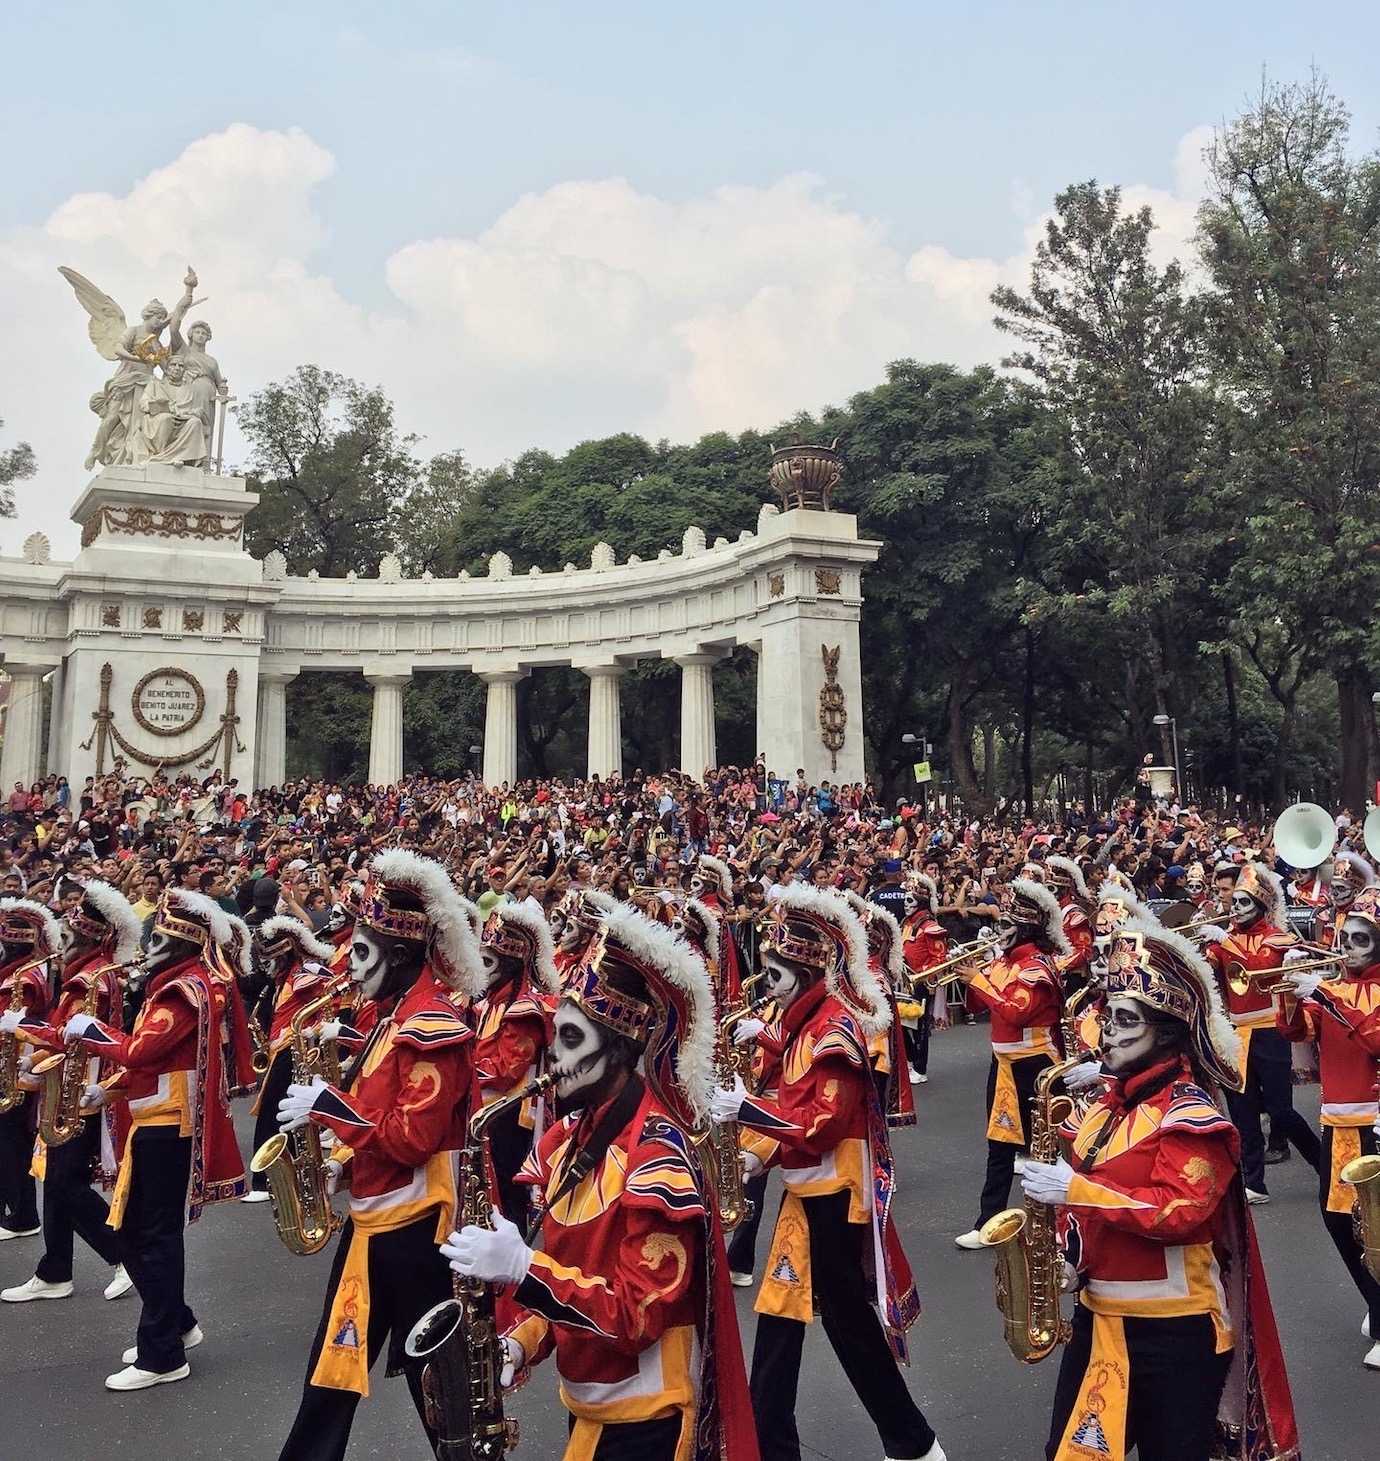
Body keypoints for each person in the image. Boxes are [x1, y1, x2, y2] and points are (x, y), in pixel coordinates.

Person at [443, 899, 759, 1460]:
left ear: (617, 1051)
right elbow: (579, 1274)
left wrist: (523, 1267)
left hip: (647, 1421)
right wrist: (522, 1341)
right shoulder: (570, 1139)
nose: (552, 1060)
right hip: (593, 1410)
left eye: (570, 1041)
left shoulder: (658, 1158)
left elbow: (635, 1315)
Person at [1020, 917, 1300, 1461]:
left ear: (1167, 1030)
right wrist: (1062, 1250)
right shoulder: (1105, 1106)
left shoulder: (1193, 1118)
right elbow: (1087, 1196)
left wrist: (1075, 1190)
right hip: (1100, 1319)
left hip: (1175, 1333)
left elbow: (1177, 1213)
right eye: (1109, 1018)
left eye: (1127, 1021)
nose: (1109, 1033)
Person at [713, 886, 943, 1461]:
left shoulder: (835, 1031)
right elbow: (793, 1102)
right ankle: (781, 1442)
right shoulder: (802, 1021)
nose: (766, 987)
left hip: (836, 1195)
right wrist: (755, 1153)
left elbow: (820, 1122)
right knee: (784, 1315)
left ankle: (911, 1441)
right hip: (807, 1190)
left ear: (805, 973)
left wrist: (748, 1112)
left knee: (843, 1322)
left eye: (774, 975)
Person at [271, 849, 484, 1461]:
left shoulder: (433, 1026)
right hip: (376, 1223)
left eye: (361, 954)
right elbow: (380, 1115)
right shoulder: (391, 1018)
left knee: (440, 1395)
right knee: (331, 1381)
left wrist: (329, 1111)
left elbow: (412, 1138)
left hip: (415, 1234)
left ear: (397, 956)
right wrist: (338, 1161)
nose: (351, 969)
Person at [65, 888, 251, 1390]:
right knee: (137, 1233)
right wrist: (107, 1091)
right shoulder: (180, 983)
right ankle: (177, 1323)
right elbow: (163, 1063)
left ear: (183, 941)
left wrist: (93, 1031)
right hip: (158, 1119)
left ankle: (162, 1354)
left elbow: (144, 1050)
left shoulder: (180, 991)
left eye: (161, 936)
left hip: (169, 1127)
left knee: (154, 1237)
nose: (151, 944)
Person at [1, 882, 141, 1304]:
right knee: (55, 1180)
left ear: (85, 937)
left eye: (71, 934)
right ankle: (55, 1270)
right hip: (66, 1085)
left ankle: (125, 1257)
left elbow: (73, 1036)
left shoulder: (89, 980)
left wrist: (23, 1030)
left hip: (82, 1091)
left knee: (66, 1183)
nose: (63, 942)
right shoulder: (89, 974)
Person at [1276, 884, 1380, 1369]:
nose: (1346, 949)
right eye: (1344, 940)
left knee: (1374, 1226)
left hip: (1374, 1123)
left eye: (1360, 941)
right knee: (1339, 1221)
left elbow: (1373, 1037)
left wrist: (1325, 992)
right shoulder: (1333, 987)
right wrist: (1295, 994)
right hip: (1337, 1122)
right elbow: (1296, 1032)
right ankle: (1376, 1301)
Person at [954, 878, 1069, 1249]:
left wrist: (981, 982)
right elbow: (981, 1008)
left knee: (1046, 1149)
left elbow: (1017, 1012)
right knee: (999, 1147)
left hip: (1035, 1067)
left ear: (1024, 930)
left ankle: (1058, 1225)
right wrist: (972, 980)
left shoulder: (1036, 967)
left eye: (1007, 926)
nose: (1000, 932)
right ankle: (988, 1222)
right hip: (1002, 1065)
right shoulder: (1003, 963)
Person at [1199, 862, 1321, 1197]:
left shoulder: (1277, 939)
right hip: (1237, 1034)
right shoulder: (1224, 940)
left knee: (1281, 1111)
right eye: (1233, 902)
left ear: (1261, 907)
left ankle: (1322, 1162)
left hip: (1270, 1031)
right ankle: (1254, 1182)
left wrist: (1225, 941)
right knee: (1243, 1110)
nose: (1235, 910)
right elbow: (1207, 976)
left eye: (1243, 903)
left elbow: (1261, 969)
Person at [473, 900, 558, 1225]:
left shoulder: (523, 1011)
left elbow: (506, 1070)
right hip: (488, 1112)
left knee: (508, 1199)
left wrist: (462, 1071)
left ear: (508, 964)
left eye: (487, 961)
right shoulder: (491, 1002)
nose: (480, 969)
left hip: (508, 1117)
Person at [242, 915, 336, 1203]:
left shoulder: (305, 973)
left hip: (294, 1050)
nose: (268, 963)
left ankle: (265, 1181)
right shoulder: (282, 978)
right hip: (280, 1050)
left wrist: (308, 1031)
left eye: (273, 956)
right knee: (280, 1113)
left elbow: (325, 1003)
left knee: (276, 1113)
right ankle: (277, 1178)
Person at [0, 898, 60, 1242]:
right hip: (13, 1067)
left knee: (12, 1145)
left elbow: (22, 1022)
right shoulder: (21, 970)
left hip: (19, 1070)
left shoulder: (26, 975)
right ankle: (14, 1208)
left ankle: (22, 1214)